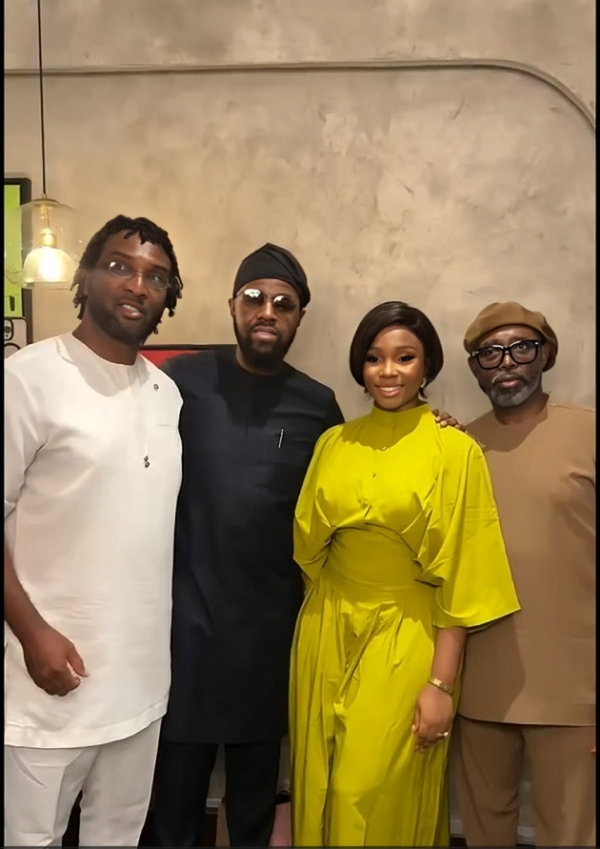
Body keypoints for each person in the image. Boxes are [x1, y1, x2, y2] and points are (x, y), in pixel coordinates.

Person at [147, 248, 465, 847]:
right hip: (185, 634)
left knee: (254, 805)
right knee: (176, 806)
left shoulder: (318, 406)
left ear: (299, 317)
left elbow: (363, 479)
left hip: (273, 640)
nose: (267, 311)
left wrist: (434, 426)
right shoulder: (179, 381)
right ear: (233, 306)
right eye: (254, 298)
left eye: (283, 303)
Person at [290, 300, 521, 847]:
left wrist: (440, 684)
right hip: (325, 628)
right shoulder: (333, 443)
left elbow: (465, 575)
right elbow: (308, 552)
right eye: (374, 358)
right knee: (317, 782)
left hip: (407, 632)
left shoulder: (455, 450)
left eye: (404, 357)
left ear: (427, 366)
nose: (387, 371)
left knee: (365, 793)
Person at [4, 215, 184, 847]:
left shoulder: (166, 395)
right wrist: (33, 635)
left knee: (118, 838)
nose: (137, 285)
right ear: (84, 278)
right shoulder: (27, 379)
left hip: (141, 686)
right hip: (49, 683)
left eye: (155, 277)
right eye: (119, 266)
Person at [454, 301, 596, 848]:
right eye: (490, 352)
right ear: (475, 367)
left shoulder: (587, 431)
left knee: (571, 833)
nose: (507, 361)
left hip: (575, 689)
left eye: (521, 347)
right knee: (485, 830)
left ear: (546, 355)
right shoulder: (460, 446)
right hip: (479, 684)